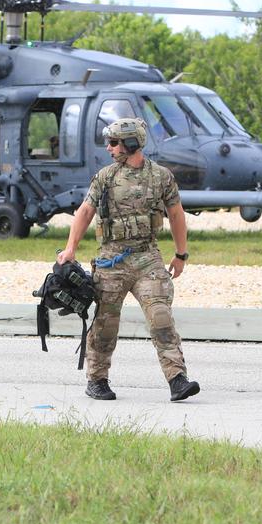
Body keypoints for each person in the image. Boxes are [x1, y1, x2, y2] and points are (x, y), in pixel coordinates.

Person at [58, 117, 200, 402]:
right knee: (106, 323)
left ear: (132, 143)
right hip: (111, 260)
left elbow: (176, 214)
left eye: (113, 143)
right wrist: (70, 248)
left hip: (147, 257)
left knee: (160, 316)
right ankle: (97, 379)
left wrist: (181, 254)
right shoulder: (105, 177)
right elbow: (85, 212)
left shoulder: (161, 176)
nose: (109, 148)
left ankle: (177, 379)